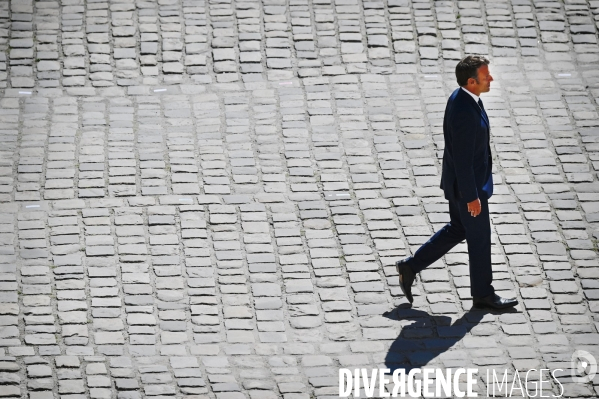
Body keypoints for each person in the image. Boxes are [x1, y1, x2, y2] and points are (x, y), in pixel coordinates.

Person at [396, 56, 518, 310]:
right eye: (486, 77)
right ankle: (483, 294)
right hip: (468, 187)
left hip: (461, 184)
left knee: (459, 229)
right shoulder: (464, 111)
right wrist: (471, 196)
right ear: (471, 81)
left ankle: (410, 266)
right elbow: (463, 160)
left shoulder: (463, 98)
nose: (491, 79)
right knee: (480, 237)